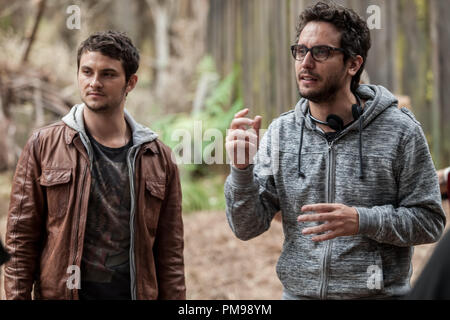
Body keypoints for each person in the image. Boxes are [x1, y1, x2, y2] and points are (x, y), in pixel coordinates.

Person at [224, 2, 446, 300]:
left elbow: (429, 223)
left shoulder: (400, 131)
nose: (305, 63)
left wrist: (362, 220)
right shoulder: (281, 132)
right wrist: (241, 171)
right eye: (300, 51)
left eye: (321, 52)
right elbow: (246, 227)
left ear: (353, 64)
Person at [3, 31, 185, 300]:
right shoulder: (43, 145)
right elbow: (20, 240)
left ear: (130, 83)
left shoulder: (158, 158)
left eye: (108, 74)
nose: (94, 83)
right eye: (87, 72)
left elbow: (170, 253)